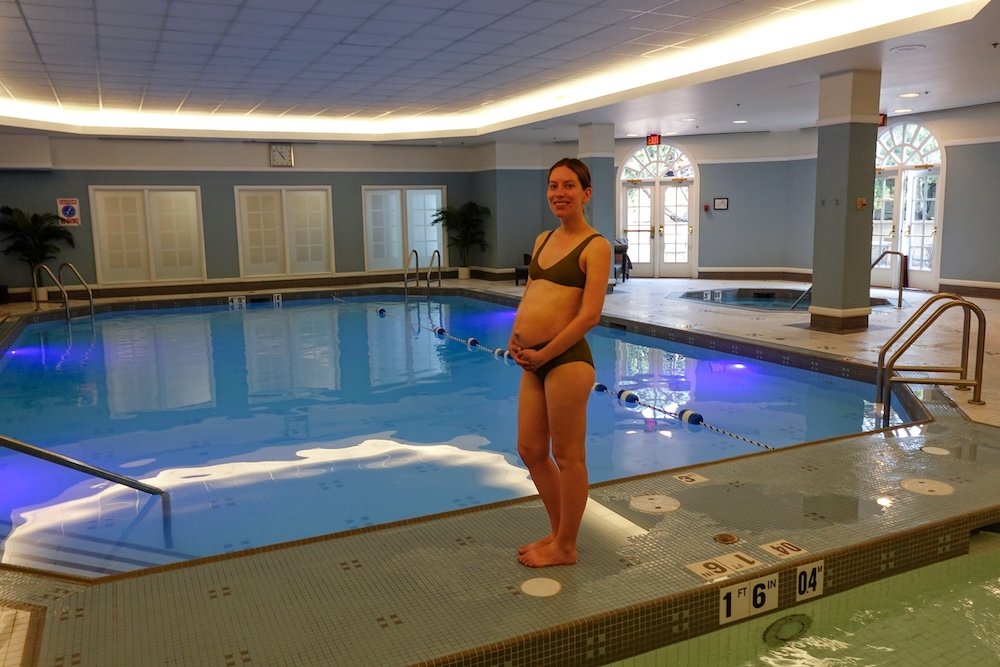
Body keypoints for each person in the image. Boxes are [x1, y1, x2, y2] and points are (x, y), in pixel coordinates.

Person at [508, 158, 611, 567]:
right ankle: (557, 533)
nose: (559, 193)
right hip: (533, 358)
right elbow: (531, 293)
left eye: (569, 185)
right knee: (531, 449)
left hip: (566, 359)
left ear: (586, 194)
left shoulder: (596, 245)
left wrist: (545, 353)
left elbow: (590, 315)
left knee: (569, 457)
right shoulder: (543, 239)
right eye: (553, 185)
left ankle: (566, 546)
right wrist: (515, 339)